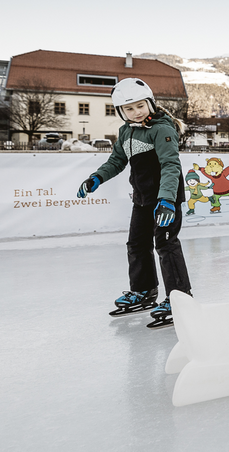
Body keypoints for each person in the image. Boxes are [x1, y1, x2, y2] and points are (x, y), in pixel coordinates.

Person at [77, 77, 191, 329]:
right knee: (137, 244)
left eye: (140, 106)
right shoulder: (126, 131)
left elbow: (170, 166)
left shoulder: (162, 129)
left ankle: (180, 298)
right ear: (120, 111)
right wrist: (97, 177)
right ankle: (143, 291)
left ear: (150, 103)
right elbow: (116, 161)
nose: (136, 112)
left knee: (166, 245)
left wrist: (167, 200)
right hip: (142, 199)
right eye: (129, 109)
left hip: (165, 199)